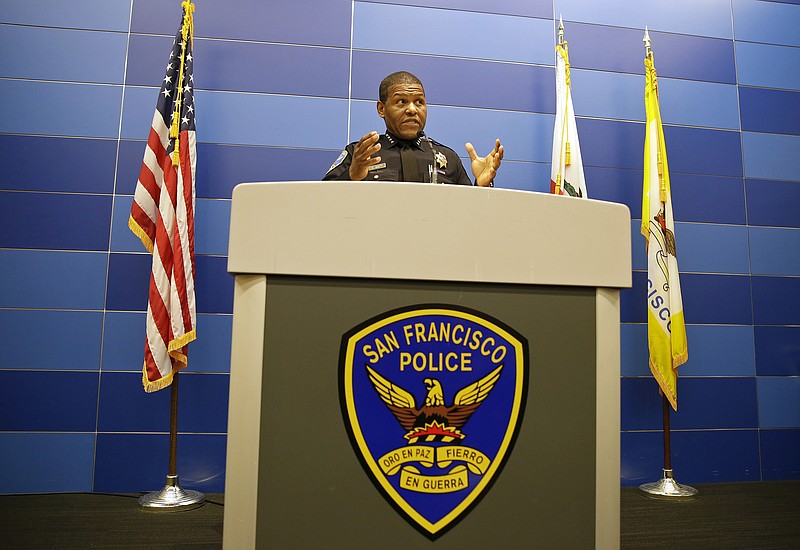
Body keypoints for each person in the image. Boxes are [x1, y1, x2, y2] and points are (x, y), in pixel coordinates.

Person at [323, 71, 503, 187]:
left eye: (419, 102)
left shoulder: (448, 158)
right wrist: (352, 176)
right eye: (401, 102)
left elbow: (470, 215)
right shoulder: (360, 154)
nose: (412, 109)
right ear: (381, 109)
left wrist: (482, 186)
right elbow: (322, 205)